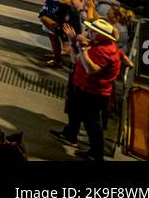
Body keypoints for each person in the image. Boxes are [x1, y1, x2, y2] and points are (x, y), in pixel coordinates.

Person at [51, 18, 122, 161]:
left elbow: (89, 68)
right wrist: (73, 42)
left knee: (92, 124)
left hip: (92, 92)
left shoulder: (102, 51)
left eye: (93, 32)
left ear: (102, 36)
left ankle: (96, 154)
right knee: (76, 112)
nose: (89, 33)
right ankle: (72, 136)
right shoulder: (101, 45)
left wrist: (82, 49)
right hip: (83, 87)